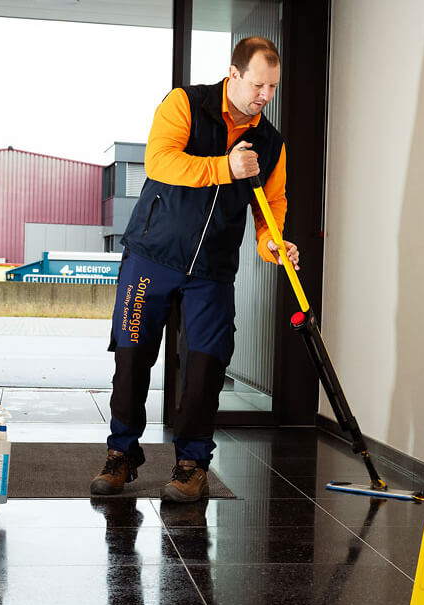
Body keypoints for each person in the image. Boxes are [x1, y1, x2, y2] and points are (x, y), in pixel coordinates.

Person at [91, 36, 299, 502]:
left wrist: (272, 244)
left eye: (273, 88)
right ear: (234, 74)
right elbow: (160, 161)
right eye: (259, 84)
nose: (265, 95)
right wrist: (226, 166)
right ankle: (121, 454)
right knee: (131, 357)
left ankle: (191, 464)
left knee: (205, 367)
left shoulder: (271, 142)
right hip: (152, 256)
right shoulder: (184, 103)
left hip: (212, 270)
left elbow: (272, 203)